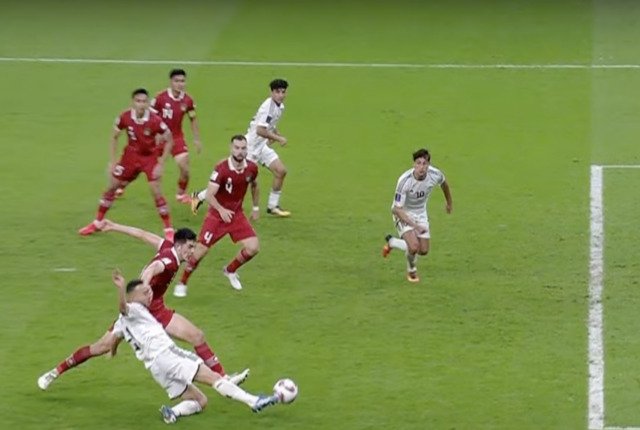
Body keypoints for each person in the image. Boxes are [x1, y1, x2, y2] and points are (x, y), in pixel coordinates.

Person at [37, 222, 248, 390]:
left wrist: (114, 226)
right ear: (179, 245)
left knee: (197, 336)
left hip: (156, 309)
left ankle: (224, 379)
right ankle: (55, 372)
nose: (192, 252)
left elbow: (141, 234)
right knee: (100, 347)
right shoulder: (169, 261)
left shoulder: (167, 247)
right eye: (190, 247)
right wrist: (145, 288)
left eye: (193, 247)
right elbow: (153, 268)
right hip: (141, 312)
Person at [115, 270, 279, 422]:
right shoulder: (134, 309)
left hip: (156, 368)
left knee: (201, 401)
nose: (150, 294)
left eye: (149, 290)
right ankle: (254, 401)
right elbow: (123, 308)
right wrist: (121, 288)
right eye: (145, 293)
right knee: (214, 378)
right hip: (167, 355)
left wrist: (113, 349)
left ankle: (172, 412)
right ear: (132, 298)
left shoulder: (122, 322)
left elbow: (115, 337)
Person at [78, 88, 176, 240]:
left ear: (147, 103)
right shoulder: (125, 117)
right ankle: (98, 222)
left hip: (149, 158)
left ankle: (168, 229)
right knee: (112, 186)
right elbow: (114, 136)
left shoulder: (155, 120)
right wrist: (112, 161)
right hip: (130, 156)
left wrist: (161, 164)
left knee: (156, 191)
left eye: (144, 101)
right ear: (133, 102)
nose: (141, 104)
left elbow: (170, 140)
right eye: (138, 101)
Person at [173, 135, 260, 297]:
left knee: (253, 247)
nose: (240, 151)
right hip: (216, 216)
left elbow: (254, 185)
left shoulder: (252, 168)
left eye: (243, 148)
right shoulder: (221, 168)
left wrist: (255, 207)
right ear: (231, 148)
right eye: (237, 148)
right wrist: (221, 210)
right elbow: (209, 195)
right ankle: (182, 282)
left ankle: (230, 270)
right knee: (200, 252)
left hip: (236, 215)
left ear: (247, 149)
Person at [191, 79, 290, 217]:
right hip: (250, 148)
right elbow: (260, 130)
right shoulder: (268, 107)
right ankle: (199, 196)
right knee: (232, 179)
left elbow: (269, 125)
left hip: (261, 146)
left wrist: (275, 133)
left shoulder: (280, 106)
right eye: (277, 92)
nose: (280, 95)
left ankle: (273, 206)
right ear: (271, 92)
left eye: (283, 92)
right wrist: (278, 139)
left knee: (281, 171)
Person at [382, 148, 453, 283]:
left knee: (423, 250)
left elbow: (444, 184)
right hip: (402, 213)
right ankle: (411, 271)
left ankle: (392, 242)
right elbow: (396, 209)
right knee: (414, 247)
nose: (421, 167)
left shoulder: (435, 174)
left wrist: (449, 203)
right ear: (414, 164)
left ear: (429, 165)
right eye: (418, 163)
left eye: (424, 163)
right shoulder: (405, 181)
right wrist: (415, 226)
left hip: (420, 213)